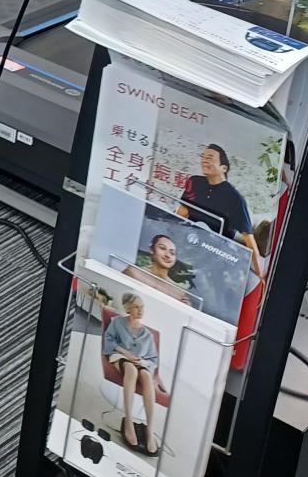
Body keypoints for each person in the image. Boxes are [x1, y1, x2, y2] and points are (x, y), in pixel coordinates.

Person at [180, 144, 264, 275]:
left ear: (223, 168)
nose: (204, 160)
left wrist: (260, 276)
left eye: (210, 158)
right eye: (203, 157)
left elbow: (249, 241)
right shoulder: (194, 182)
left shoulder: (235, 199)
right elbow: (181, 214)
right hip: (187, 240)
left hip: (214, 253)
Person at [102, 294, 163, 454]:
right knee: (130, 369)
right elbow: (109, 340)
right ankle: (128, 420)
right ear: (128, 308)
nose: (140, 310)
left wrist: (142, 362)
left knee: (146, 376)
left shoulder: (147, 334)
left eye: (142, 307)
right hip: (120, 356)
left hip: (140, 362)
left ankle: (150, 430)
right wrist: (126, 354)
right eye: (136, 306)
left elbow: (153, 360)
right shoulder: (117, 323)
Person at [126, 234, 191, 303]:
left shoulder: (178, 292)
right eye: (162, 248)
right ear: (151, 250)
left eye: (172, 253)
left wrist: (187, 306)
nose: (168, 255)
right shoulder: (134, 273)